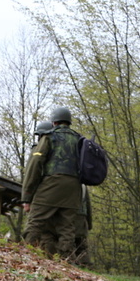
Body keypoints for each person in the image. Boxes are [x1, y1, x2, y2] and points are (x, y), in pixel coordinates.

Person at [21, 107, 83, 262]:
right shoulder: (79, 139)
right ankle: (67, 261)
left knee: (36, 220)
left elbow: (35, 163)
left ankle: (23, 255)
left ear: (54, 122)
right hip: (74, 186)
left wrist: (27, 196)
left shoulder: (49, 136)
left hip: (52, 183)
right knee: (67, 226)